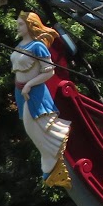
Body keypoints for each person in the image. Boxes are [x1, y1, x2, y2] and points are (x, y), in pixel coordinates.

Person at [11, 12, 72, 184]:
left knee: (35, 125)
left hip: (34, 91)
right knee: (29, 127)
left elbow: (49, 70)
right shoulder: (20, 45)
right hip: (20, 91)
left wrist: (30, 84)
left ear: (30, 25)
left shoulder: (38, 46)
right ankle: (48, 154)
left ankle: (52, 152)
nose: (18, 27)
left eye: (21, 24)